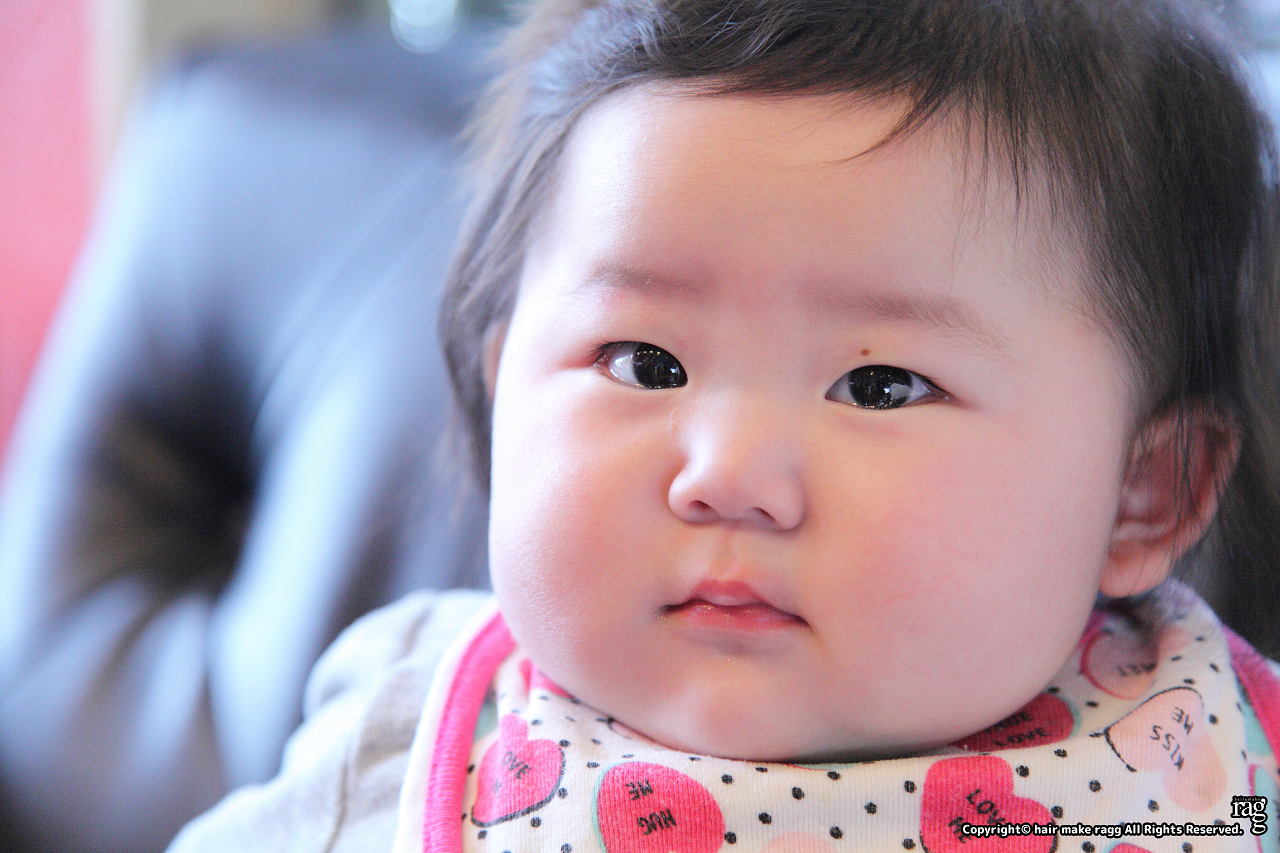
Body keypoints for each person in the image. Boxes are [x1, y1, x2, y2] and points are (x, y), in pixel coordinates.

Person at [166, 0, 1280, 850]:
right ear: (504, 398)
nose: (729, 474)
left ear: (1145, 492)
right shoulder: (411, 743)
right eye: (644, 364)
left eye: (881, 386)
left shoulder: (1215, 767)